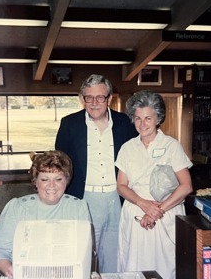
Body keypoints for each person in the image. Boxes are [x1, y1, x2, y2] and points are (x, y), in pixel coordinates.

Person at [55, 74, 137, 273]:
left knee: (115, 257)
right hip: (84, 199)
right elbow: (60, 164)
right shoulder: (69, 124)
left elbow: (136, 157)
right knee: (82, 257)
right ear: (82, 98)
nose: (94, 103)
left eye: (100, 97)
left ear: (109, 99)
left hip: (117, 198)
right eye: (88, 97)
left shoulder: (125, 123)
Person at [115, 90, 193, 279]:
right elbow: (121, 186)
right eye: (138, 118)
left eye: (148, 118)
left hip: (165, 215)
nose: (142, 124)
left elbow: (186, 186)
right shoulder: (127, 148)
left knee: (165, 267)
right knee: (134, 265)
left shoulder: (171, 146)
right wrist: (144, 204)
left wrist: (157, 210)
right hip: (136, 214)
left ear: (158, 118)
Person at [0, 150, 91, 278]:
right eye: (44, 179)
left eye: (58, 179)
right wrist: (9, 269)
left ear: (67, 181)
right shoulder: (17, 208)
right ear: (35, 182)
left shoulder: (78, 208)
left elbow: (86, 254)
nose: (52, 185)